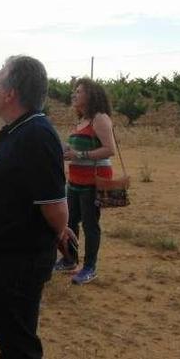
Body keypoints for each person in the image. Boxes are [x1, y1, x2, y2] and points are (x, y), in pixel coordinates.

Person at [0, 56, 76, 359]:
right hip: (6, 258)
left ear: (11, 92)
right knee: (10, 342)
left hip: (19, 261)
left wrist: (60, 231)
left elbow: (56, 206)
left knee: (19, 345)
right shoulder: (19, 130)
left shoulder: (36, 134)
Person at [54, 78, 116, 285]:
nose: (74, 94)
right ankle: (70, 260)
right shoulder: (81, 119)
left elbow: (110, 149)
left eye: (78, 91)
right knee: (69, 222)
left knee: (90, 224)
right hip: (75, 180)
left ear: (90, 95)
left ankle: (90, 267)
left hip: (93, 181)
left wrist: (78, 154)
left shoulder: (100, 118)